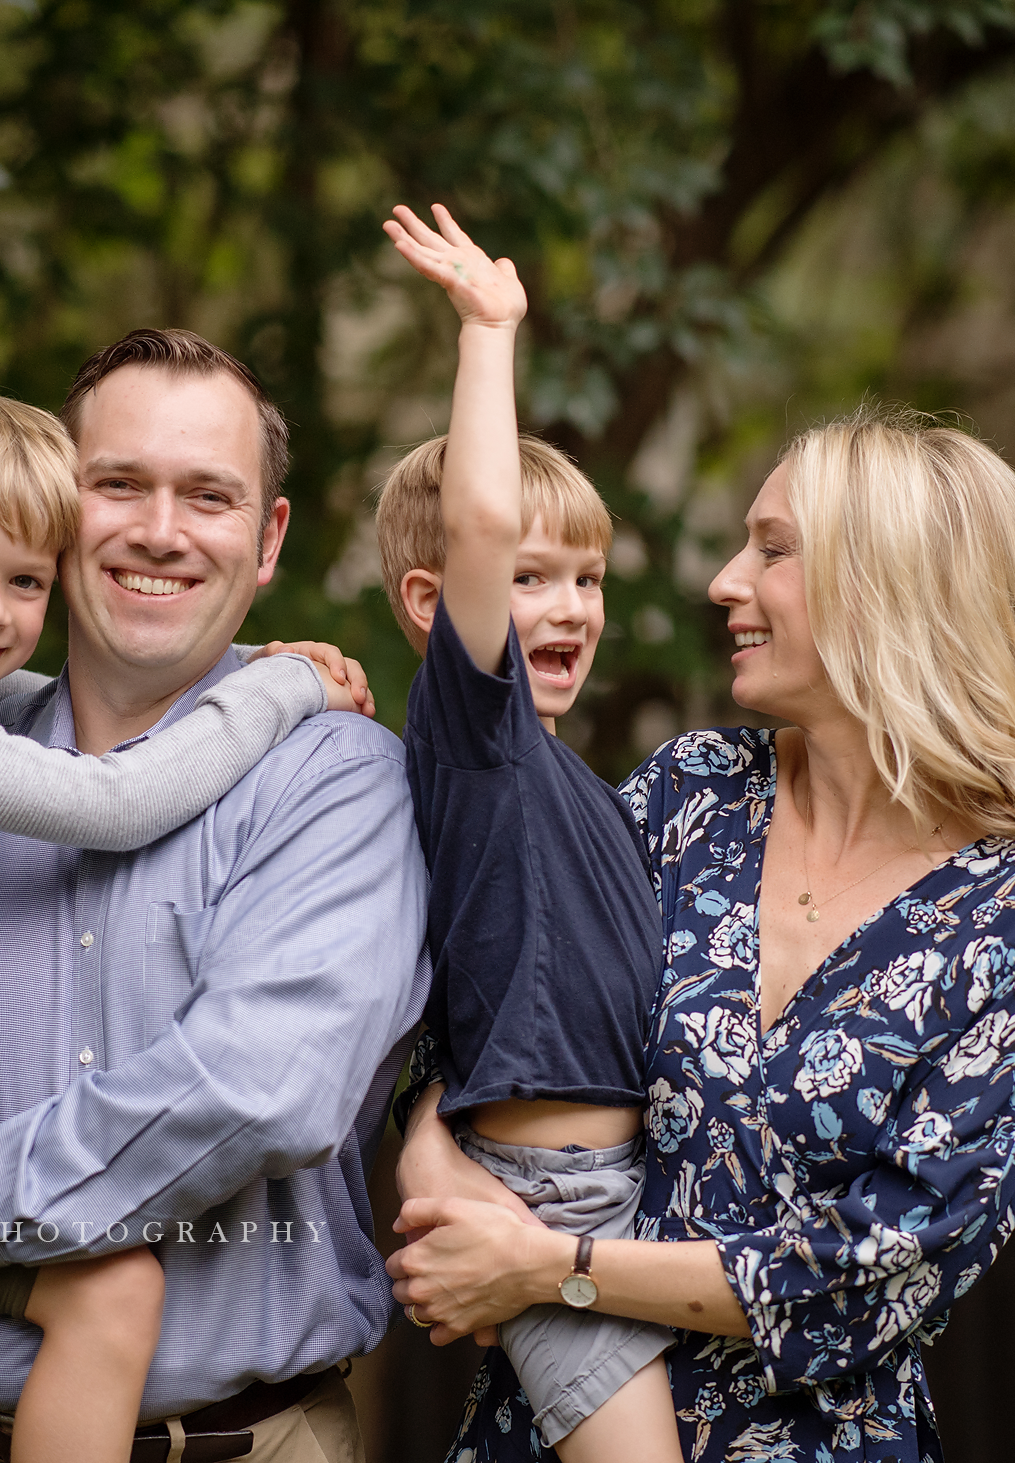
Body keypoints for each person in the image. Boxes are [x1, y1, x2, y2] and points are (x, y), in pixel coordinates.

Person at [0, 331, 431, 1463]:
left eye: (207, 494)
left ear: (267, 538)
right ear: (57, 510)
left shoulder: (332, 779)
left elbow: (258, 1089)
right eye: (118, 485)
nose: (159, 529)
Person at [389, 405, 1015, 1463]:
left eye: (771, 549)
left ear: (890, 587)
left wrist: (550, 1264)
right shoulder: (692, 795)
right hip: (543, 1425)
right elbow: (497, 992)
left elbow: (874, 1271)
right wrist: (425, 1149)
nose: (724, 580)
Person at [372, 205, 680, 1463]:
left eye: (588, 578)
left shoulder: (575, 784)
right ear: (433, 603)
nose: (567, 606)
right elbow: (480, 525)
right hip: (545, 1194)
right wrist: (489, 334)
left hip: (627, 1200)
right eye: (533, 576)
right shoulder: (474, 738)